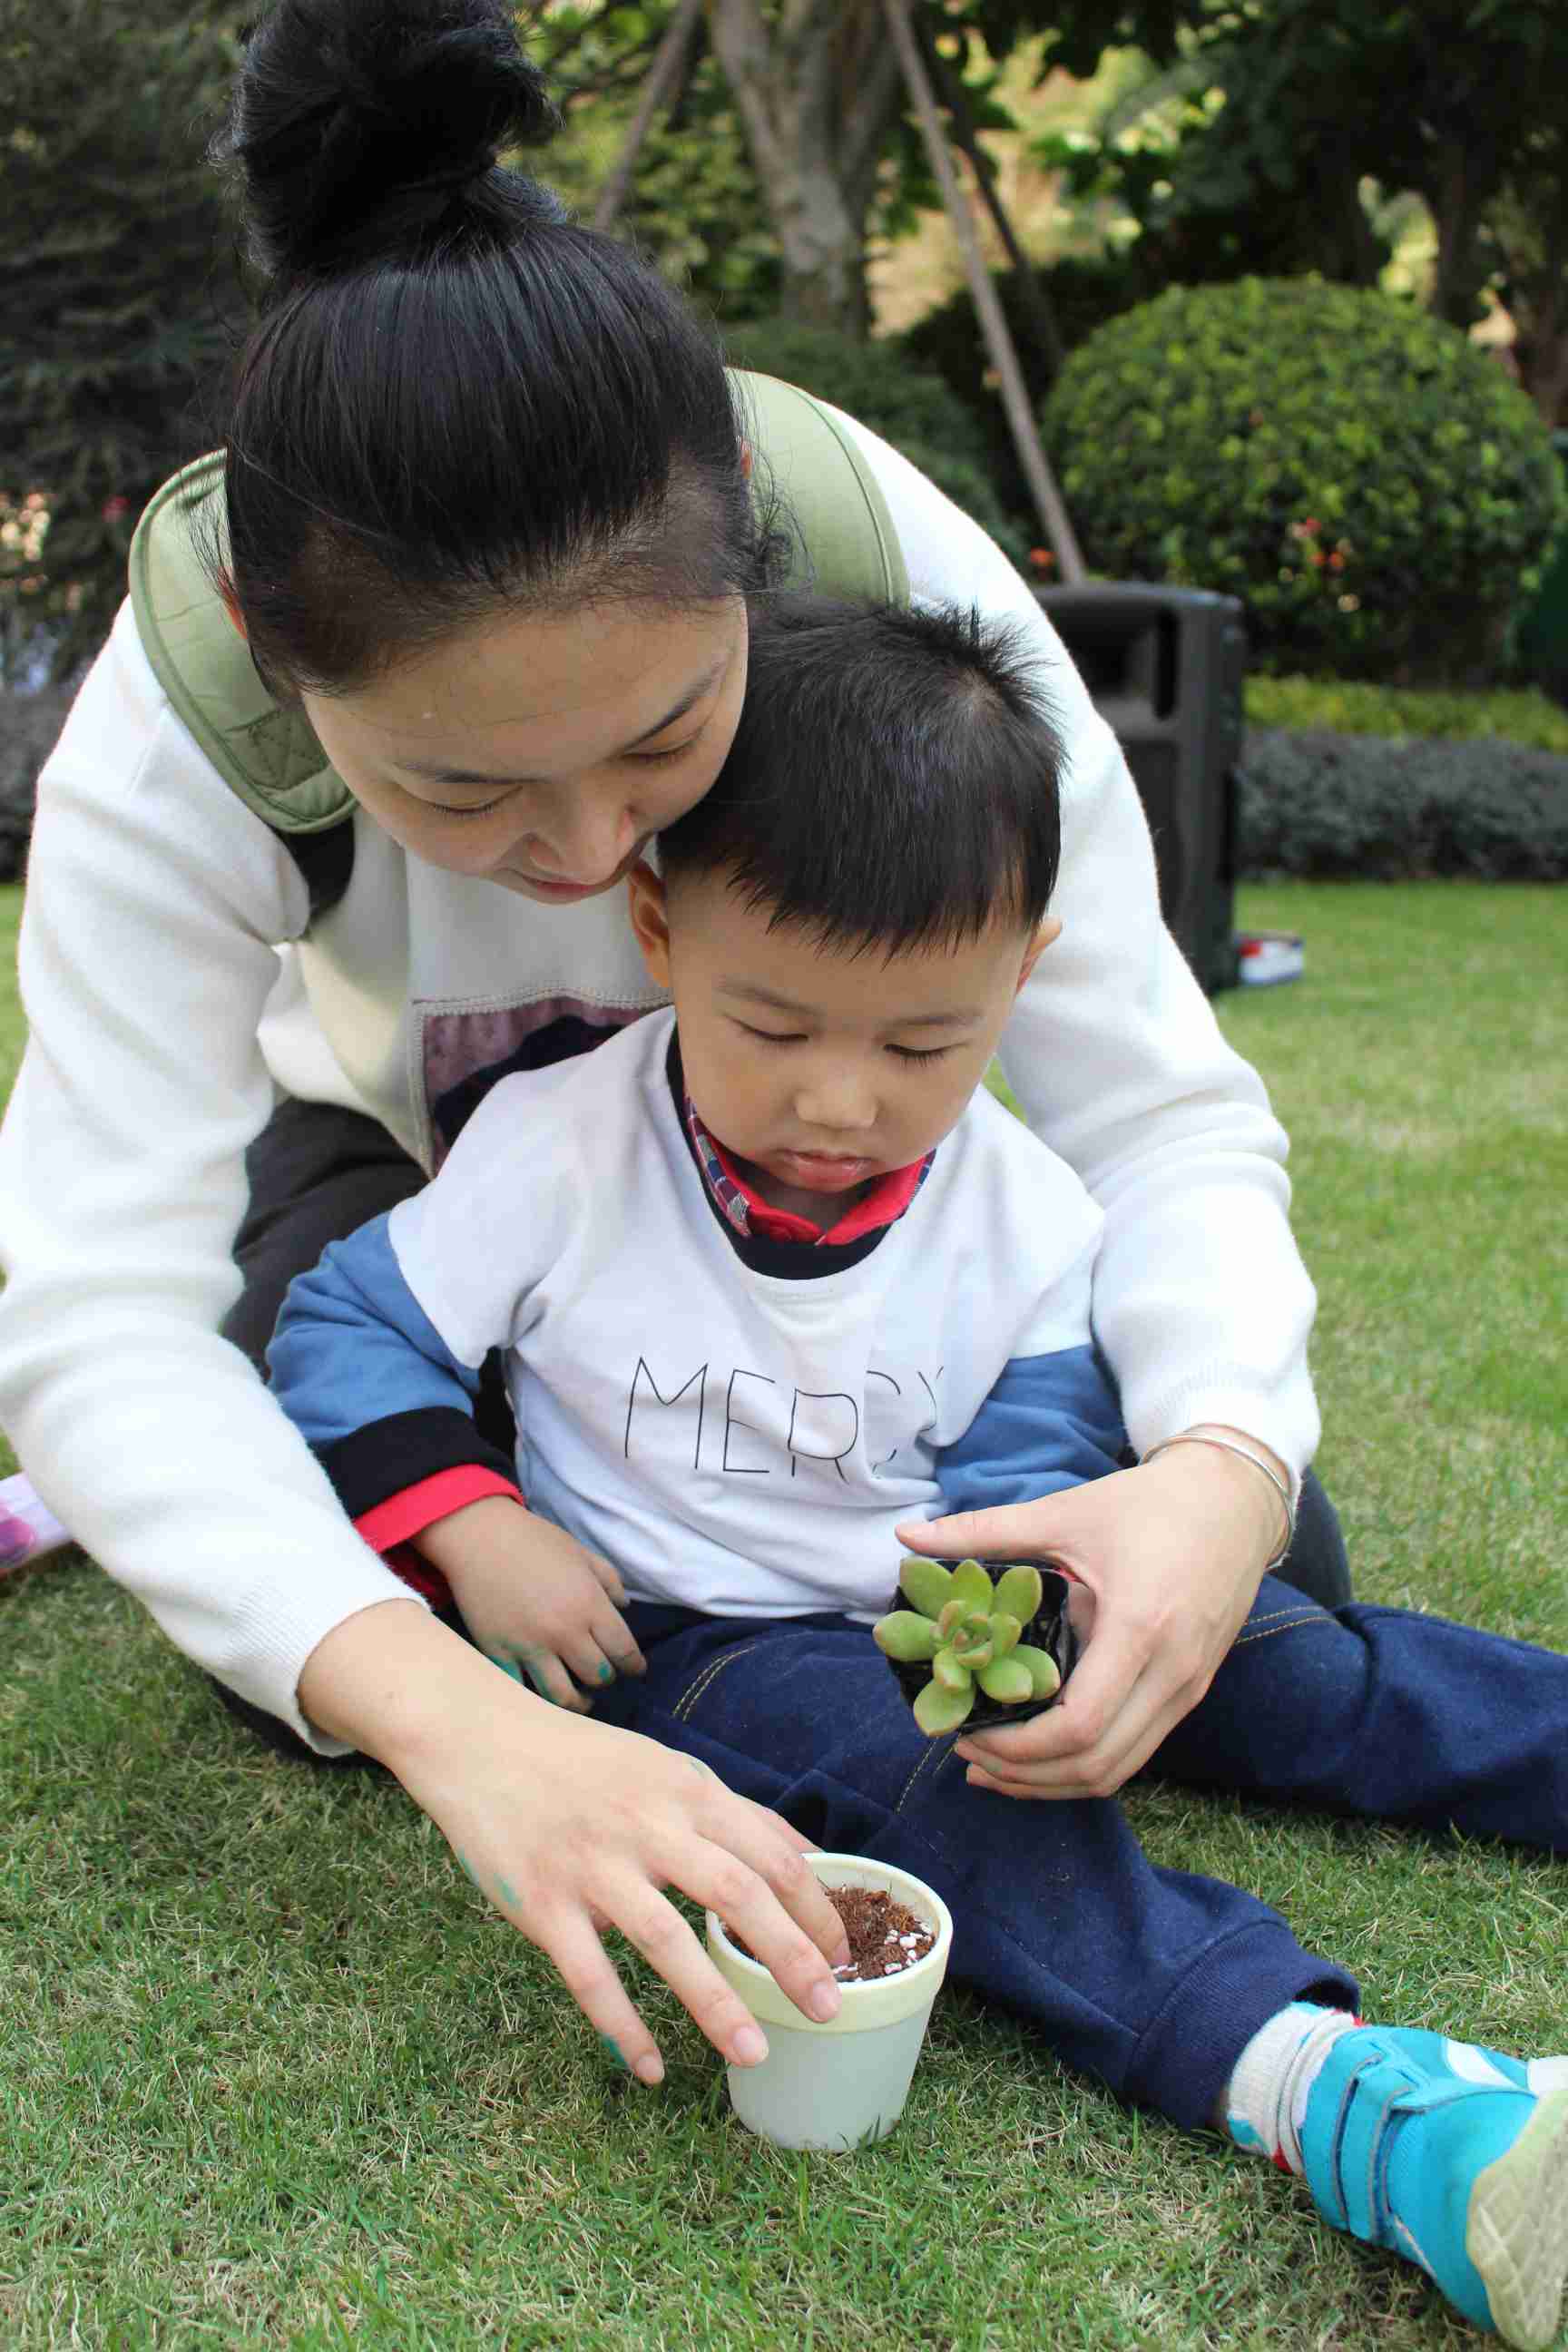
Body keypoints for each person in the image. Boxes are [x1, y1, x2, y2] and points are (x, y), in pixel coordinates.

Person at [0, 0, 1339, 2096]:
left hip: (828, 1221)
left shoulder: (885, 560)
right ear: (285, 661)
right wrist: (468, 1731)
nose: (587, 858)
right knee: (356, 1610)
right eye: (462, 797)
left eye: (664, 746)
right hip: (415, 1196)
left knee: (1248, 1580)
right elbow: (90, 1321)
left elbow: (1158, 1107)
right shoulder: (177, 733)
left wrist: (1223, 1473)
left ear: (744, 540)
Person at [268, 597, 1568, 2349]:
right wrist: (477, 1528)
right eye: (777, 1026)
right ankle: (1328, 2090)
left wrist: (1054, 1613)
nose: (842, 1104)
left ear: (1021, 976)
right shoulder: (559, 1147)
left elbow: (1044, 1448)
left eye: (920, 1045)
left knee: (1303, 1665)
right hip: (706, 1637)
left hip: (950, 1604)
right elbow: (345, 1327)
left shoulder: (1029, 1210)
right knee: (942, 1808)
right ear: (657, 927)